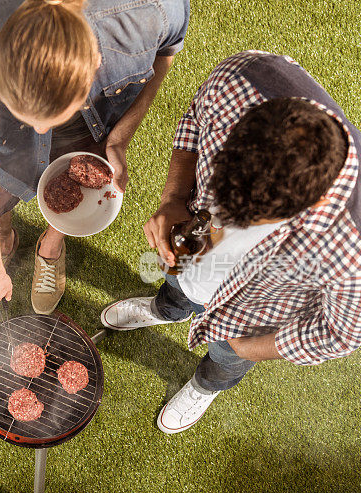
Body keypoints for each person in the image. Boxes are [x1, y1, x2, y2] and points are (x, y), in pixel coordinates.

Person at [100, 51, 361, 434]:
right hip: (189, 253)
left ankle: (205, 386)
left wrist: (248, 348)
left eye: (249, 220)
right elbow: (193, 123)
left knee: (224, 359)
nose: (220, 229)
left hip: (251, 316)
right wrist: (174, 200)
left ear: (315, 202)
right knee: (175, 286)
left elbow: (340, 333)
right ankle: (166, 309)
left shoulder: (352, 246)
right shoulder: (244, 80)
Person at [0, 0, 189, 313]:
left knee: (75, 197)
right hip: (8, 150)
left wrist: (120, 137)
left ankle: (52, 246)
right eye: (25, 115)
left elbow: (165, 53)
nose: (40, 129)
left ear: (95, 62)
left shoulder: (150, 10)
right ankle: (1, 242)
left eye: (52, 116)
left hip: (91, 127)